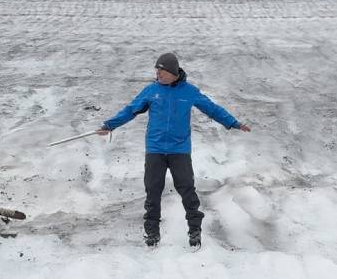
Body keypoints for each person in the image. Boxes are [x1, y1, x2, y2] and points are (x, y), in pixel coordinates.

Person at [96, 52, 250, 248]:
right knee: (153, 190)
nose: (158, 74)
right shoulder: (152, 90)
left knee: (187, 189)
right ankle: (152, 233)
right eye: (157, 71)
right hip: (155, 149)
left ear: (172, 72)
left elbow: (213, 109)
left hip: (179, 150)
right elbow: (131, 109)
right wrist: (110, 124)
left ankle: (194, 229)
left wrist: (234, 123)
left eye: (161, 71)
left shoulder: (189, 91)